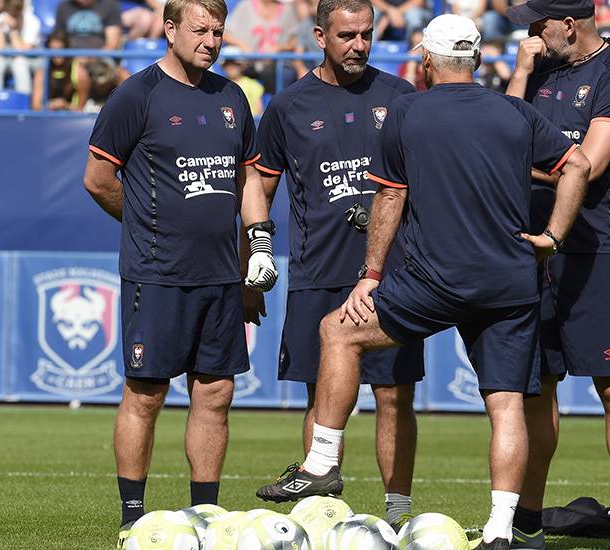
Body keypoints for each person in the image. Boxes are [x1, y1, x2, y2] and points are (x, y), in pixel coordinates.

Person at [256, 13, 590, 550]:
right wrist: (552, 236)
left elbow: (389, 197)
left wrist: (370, 276)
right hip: (509, 280)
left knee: (338, 333)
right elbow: (578, 165)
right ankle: (502, 531)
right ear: (477, 58)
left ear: (428, 60)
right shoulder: (514, 113)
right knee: (506, 406)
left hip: (434, 280)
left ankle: (321, 463)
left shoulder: (408, 109)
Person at [82, 0, 278, 547]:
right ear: (169, 30)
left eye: (218, 31)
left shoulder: (232, 97)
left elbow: (247, 182)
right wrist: (150, 223)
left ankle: (206, 516)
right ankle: (132, 515)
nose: (211, 41)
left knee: (215, 392)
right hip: (156, 273)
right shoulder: (136, 95)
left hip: (221, 276)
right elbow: (98, 178)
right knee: (145, 392)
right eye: (200, 30)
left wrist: (257, 248)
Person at [250, 0, 425, 530]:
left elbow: (425, 178)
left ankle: (398, 515)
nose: (359, 46)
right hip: (317, 271)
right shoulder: (288, 105)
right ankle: (319, 513)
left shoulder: (400, 96)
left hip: (389, 276)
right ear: (320, 36)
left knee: (394, 396)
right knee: (319, 395)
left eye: (366, 35)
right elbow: (259, 185)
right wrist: (254, 252)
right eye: (347, 35)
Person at [505, 0, 610, 549]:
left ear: (568, 23)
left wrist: (517, 163)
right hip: (529, 245)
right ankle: (528, 525)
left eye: (537, 24)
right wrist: (519, 73)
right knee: (536, 390)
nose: (531, 35)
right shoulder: (537, 70)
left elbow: (587, 165)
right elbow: (499, 134)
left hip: (596, 248)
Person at [53, 0, 122, 110]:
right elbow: (58, 40)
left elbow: (112, 44)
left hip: (102, 58)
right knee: (80, 72)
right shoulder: (64, 7)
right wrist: (73, 58)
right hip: (71, 59)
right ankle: (80, 110)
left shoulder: (110, 5)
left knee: (125, 77)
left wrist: (91, 58)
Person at [0, 0, 40, 94]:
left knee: (19, 63)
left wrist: (13, 31)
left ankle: (23, 101)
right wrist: (1, 30)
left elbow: (23, 51)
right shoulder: (0, 19)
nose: (13, 15)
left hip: (30, 59)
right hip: (6, 56)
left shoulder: (32, 21)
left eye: (16, 12)